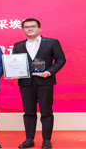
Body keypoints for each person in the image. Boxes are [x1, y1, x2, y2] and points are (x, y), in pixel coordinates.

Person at [13, 18, 66, 149]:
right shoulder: (18, 45)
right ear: (23, 29)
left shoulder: (52, 42)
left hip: (45, 81)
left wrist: (50, 72)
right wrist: (14, 72)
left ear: (39, 28)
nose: (30, 29)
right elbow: (15, 63)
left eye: (33, 26)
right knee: (28, 112)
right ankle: (29, 139)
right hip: (26, 82)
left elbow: (61, 59)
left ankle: (46, 140)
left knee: (46, 111)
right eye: (26, 27)